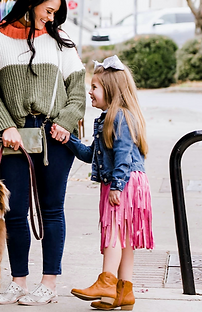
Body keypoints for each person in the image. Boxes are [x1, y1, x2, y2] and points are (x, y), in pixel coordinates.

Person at [0, 0, 86, 306]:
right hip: (15, 139)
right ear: (31, 2)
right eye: (48, 10)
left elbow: (78, 92)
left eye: (56, 13)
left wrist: (66, 123)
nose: (51, 18)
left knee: (52, 211)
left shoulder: (61, 41)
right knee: (14, 212)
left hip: (55, 137)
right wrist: (4, 125)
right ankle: (19, 281)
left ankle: (49, 284)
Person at [65, 55, 154, 311]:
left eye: (94, 87)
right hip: (124, 182)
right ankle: (123, 291)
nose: (89, 92)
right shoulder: (107, 118)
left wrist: (116, 185)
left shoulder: (121, 117)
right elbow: (89, 154)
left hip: (124, 183)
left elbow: (124, 154)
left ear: (110, 91)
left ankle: (106, 282)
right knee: (125, 239)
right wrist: (68, 139)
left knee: (114, 233)